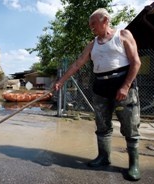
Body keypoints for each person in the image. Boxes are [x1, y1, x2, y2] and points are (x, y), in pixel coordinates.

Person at [54, 8, 141, 181]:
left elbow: (136, 62)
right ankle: (103, 157)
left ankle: (133, 164)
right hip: (101, 87)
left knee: (130, 126)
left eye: (93, 23)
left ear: (105, 20)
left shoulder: (123, 35)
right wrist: (61, 81)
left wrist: (125, 86)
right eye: (90, 25)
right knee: (102, 126)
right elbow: (78, 63)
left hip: (122, 85)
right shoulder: (92, 44)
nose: (91, 27)